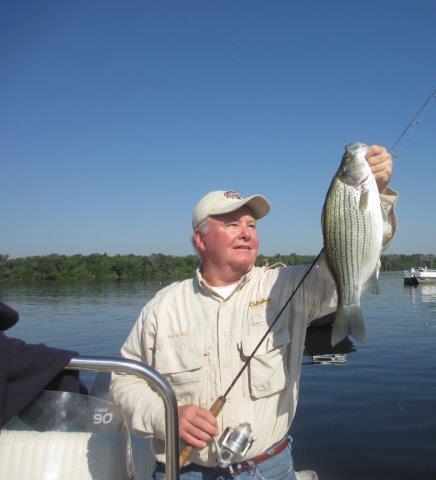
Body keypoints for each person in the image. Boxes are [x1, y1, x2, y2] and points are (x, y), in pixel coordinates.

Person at [110, 145, 397, 479]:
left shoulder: (287, 285)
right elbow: (123, 379)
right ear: (200, 240)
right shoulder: (163, 307)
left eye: (251, 224)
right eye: (232, 224)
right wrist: (167, 416)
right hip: (184, 469)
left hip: (269, 468)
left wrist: (379, 194)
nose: (246, 232)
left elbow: (356, 250)